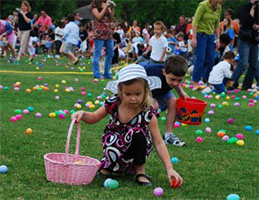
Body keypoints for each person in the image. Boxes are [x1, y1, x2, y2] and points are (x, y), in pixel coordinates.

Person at [71, 64, 183, 186]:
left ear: (145, 91)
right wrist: (83, 114)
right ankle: (108, 167)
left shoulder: (148, 112)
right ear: (120, 91)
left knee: (137, 133)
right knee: (113, 138)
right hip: (115, 144)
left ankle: (140, 171)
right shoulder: (114, 103)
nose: (133, 99)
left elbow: (159, 142)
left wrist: (169, 169)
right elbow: (94, 117)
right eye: (128, 94)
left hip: (137, 148)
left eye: (138, 94)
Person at [141, 55, 188, 146]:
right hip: (146, 89)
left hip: (161, 91)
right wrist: (148, 99)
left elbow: (176, 84)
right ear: (164, 72)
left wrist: (181, 92)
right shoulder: (150, 71)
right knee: (153, 106)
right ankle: (144, 134)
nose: (175, 83)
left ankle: (168, 135)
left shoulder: (172, 78)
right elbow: (139, 84)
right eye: (172, 79)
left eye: (179, 80)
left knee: (173, 101)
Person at [191, 0, 223, 91]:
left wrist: (218, 39)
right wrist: (194, 38)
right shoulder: (203, 5)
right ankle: (195, 82)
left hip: (210, 36)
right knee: (200, 59)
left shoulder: (219, 7)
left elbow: (217, 24)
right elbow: (195, 22)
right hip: (200, 35)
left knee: (211, 59)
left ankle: (207, 80)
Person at [231, 0, 259, 90]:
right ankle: (232, 82)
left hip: (254, 39)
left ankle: (246, 85)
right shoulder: (246, 7)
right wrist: (252, 9)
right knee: (243, 62)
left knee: (253, 64)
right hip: (245, 38)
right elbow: (245, 21)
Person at [90, 0, 115, 79]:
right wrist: (105, 7)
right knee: (97, 54)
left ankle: (107, 73)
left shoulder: (106, 4)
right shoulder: (94, 5)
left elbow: (111, 18)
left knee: (110, 53)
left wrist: (112, 8)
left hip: (108, 33)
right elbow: (98, 16)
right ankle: (97, 74)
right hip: (99, 33)